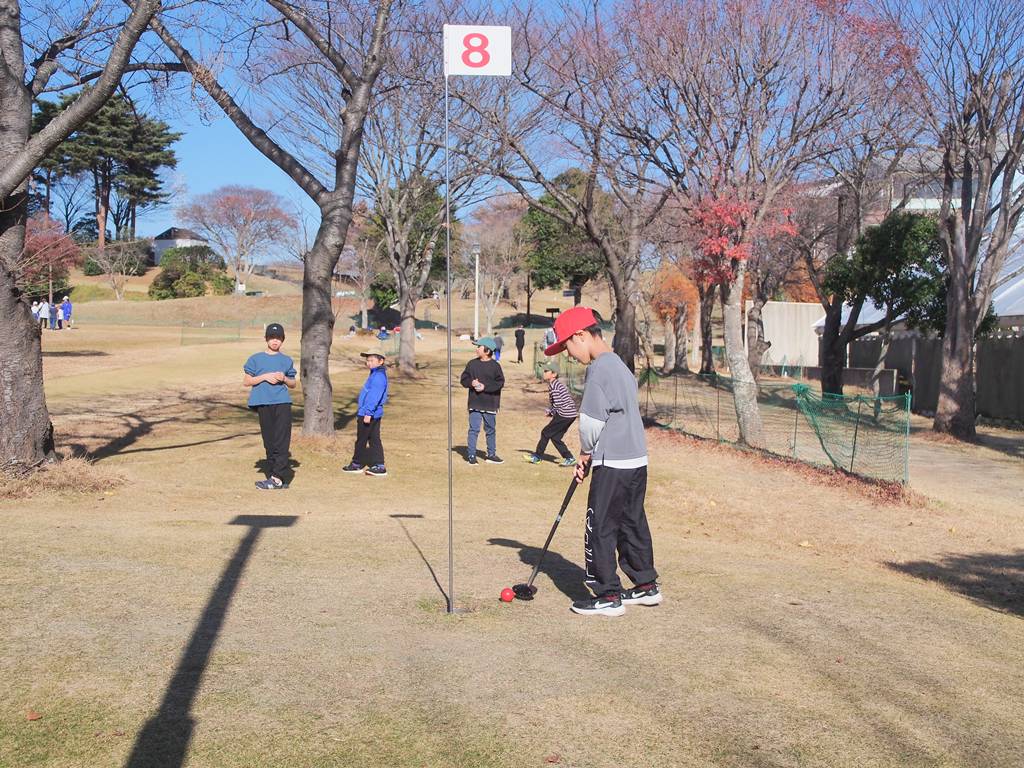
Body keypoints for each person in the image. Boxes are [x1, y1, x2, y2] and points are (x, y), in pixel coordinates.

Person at [545, 306, 660, 617]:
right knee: (631, 522)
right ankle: (646, 584)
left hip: (612, 462)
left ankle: (608, 594)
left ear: (580, 336)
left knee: (599, 526)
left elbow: (591, 421)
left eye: (567, 346)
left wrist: (585, 453)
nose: (569, 355)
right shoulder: (620, 365)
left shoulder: (598, 369)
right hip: (636, 460)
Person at [243, 323, 297, 490]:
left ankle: (277, 478)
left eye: (278, 338)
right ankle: (275, 475)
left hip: (282, 403)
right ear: (266, 339)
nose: (275, 341)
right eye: (272, 338)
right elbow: (247, 381)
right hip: (263, 403)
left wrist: (284, 378)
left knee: (282, 440)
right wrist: (265, 377)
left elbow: (293, 383)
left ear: (283, 340)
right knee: (269, 441)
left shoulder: (286, 360)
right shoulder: (255, 359)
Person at [342, 350, 389, 477]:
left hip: (369, 414)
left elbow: (374, 396)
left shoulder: (378, 376)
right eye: (367, 360)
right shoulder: (375, 373)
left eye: (372, 360)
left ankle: (356, 464)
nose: (369, 363)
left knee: (361, 439)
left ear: (381, 361)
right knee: (374, 439)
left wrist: (368, 413)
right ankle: (379, 465)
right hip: (372, 413)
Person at [459, 337, 505, 465]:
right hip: (475, 403)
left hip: (490, 404)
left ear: (487, 350)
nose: (477, 349)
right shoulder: (472, 364)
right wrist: (471, 383)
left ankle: (491, 455)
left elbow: (500, 383)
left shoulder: (495, 366)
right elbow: (463, 380)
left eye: (479, 347)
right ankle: (471, 456)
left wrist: (485, 387)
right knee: (473, 430)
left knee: (490, 430)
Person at [524, 365, 578, 467]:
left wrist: (551, 412)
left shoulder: (555, 386)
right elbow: (556, 403)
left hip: (565, 414)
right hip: (570, 414)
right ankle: (570, 458)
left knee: (545, 432)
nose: (544, 373)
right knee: (555, 437)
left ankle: (537, 457)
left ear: (554, 374)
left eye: (546, 371)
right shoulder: (554, 384)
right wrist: (551, 410)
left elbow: (558, 404)